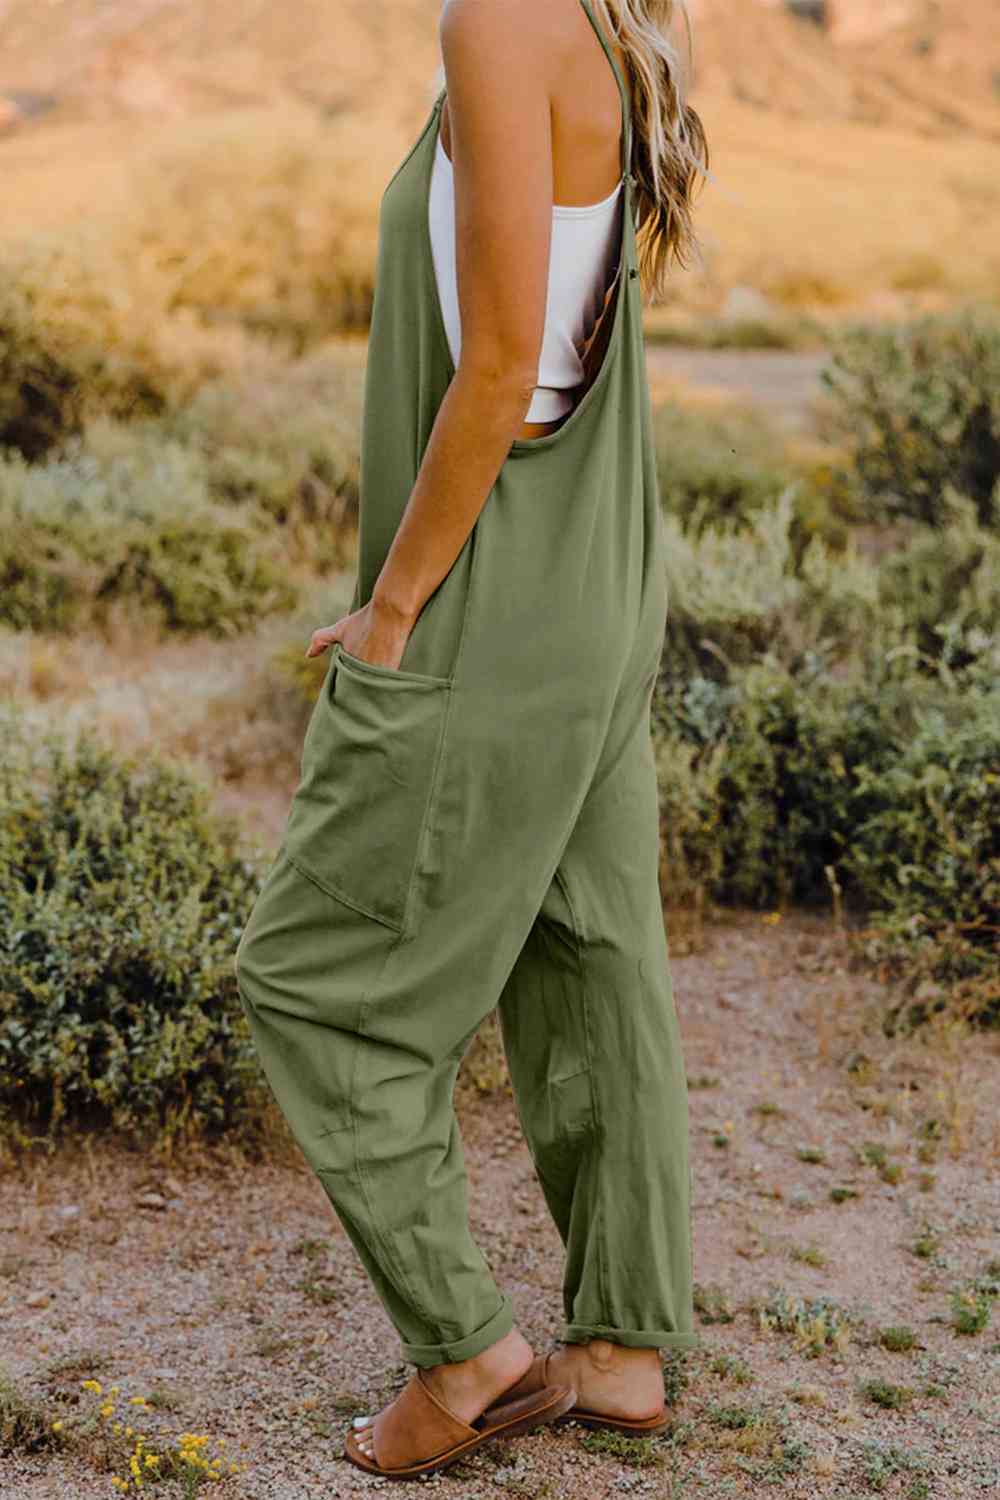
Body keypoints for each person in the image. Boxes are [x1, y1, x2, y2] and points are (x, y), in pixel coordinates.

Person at [235, 0, 709, 1480]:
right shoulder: (600, 22)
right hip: (594, 580)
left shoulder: (499, 17)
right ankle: (622, 1352)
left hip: (498, 599)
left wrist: (394, 607)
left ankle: (467, 1357)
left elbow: (503, 361)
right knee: (594, 960)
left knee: (309, 983)